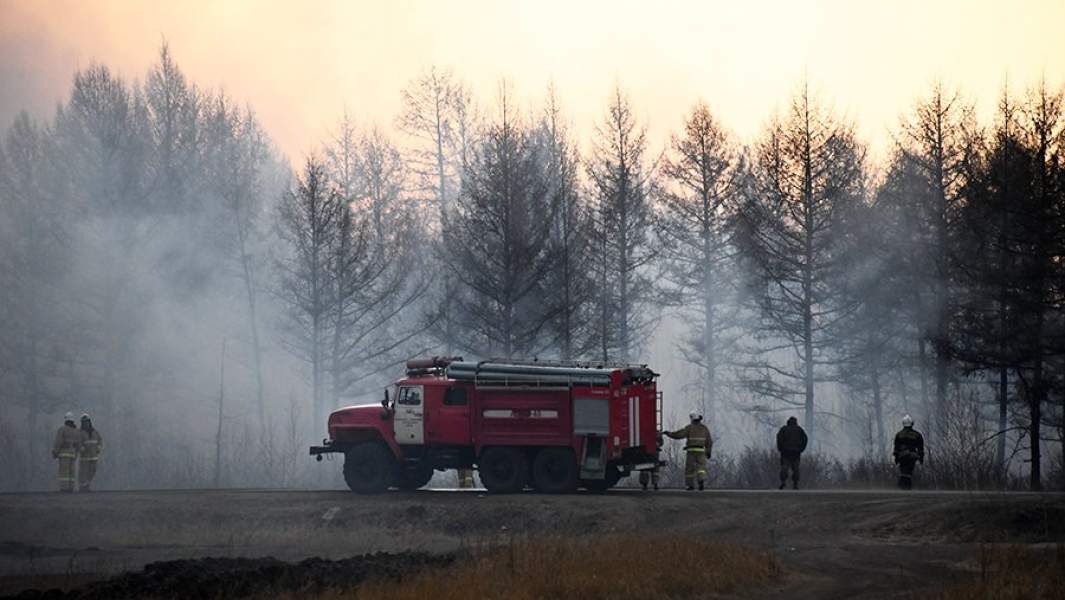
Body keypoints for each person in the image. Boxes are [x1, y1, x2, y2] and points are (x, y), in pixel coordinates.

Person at [662, 412, 712, 490]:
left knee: (689, 469)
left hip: (691, 452)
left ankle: (690, 485)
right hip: (701, 452)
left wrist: (669, 433)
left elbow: (679, 435)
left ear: (692, 419)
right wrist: (708, 452)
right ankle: (701, 481)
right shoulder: (704, 428)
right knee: (701, 468)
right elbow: (709, 441)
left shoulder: (689, 428)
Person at [893, 414, 925, 490]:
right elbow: (920, 448)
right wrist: (921, 459)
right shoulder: (917, 435)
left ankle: (902, 486)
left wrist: (896, 459)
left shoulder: (899, 434)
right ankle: (906, 486)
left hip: (902, 456)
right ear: (912, 423)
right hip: (912, 456)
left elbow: (896, 448)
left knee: (903, 471)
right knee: (908, 471)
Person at [776, 416, 808, 490]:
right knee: (796, 469)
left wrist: (781, 449)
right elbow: (805, 439)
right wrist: (801, 449)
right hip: (796, 453)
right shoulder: (799, 430)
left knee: (784, 468)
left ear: (788, 422)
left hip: (785, 453)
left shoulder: (783, 429)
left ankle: (783, 482)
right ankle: (795, 484)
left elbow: (779, 439)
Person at [52, 413, 81, 493]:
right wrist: (76, 453)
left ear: (66, 420)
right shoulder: (76, 431)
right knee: (72, 472)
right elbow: (79, 444)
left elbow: (58, 442)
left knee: (64, 472)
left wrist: (55, 452)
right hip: (72, 455)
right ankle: (71, 487)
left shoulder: (62, 429)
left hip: (64, 454)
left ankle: (64, 488)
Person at [78, 414, 103, 492]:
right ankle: (82, 487)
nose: (86, 424)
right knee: (83, 473)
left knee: (92, 472)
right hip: (85, 457)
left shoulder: (95, 432)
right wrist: (81, 448)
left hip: (94, 457)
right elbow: (78, 442)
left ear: (89, 422)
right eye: (84, 422)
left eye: (87, 422)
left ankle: (87, 486)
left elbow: (100, 440)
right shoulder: (80, 433)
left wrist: (99, 447)